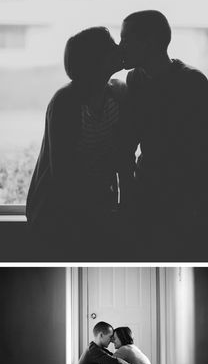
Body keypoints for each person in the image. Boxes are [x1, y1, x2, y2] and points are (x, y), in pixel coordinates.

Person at [120, 10, 208, 258]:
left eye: (126, 39)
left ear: (147, 42)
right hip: (147, 202)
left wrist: (202, 210)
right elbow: (127, 143)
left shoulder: (192, 83)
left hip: (186, 206)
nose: (120, 46)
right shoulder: (135, 79)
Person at [26, 27, 133, 258]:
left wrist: (123, 209)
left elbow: (123, 158)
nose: (119, 48)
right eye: (111, 45)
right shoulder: (66, 103)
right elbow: (63, 174)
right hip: (56, 213)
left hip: (96, 209)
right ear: (96, 60)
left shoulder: (117, 94)